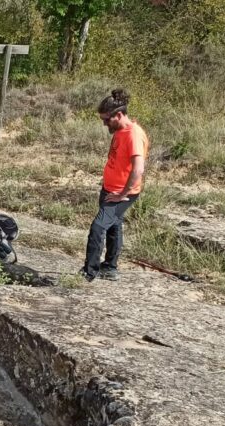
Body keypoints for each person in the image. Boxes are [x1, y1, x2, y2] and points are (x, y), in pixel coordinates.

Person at [82, 89, 149, 282]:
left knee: (98, 227)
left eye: (106, 119)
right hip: (111, 189)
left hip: (121, 193)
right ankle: (110, 268)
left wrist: (122, 194)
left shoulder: (133, 134)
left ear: (118, 115)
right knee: (114, 225)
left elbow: (138, 169)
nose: (104, 124)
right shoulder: (121, 130)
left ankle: (89, 273)